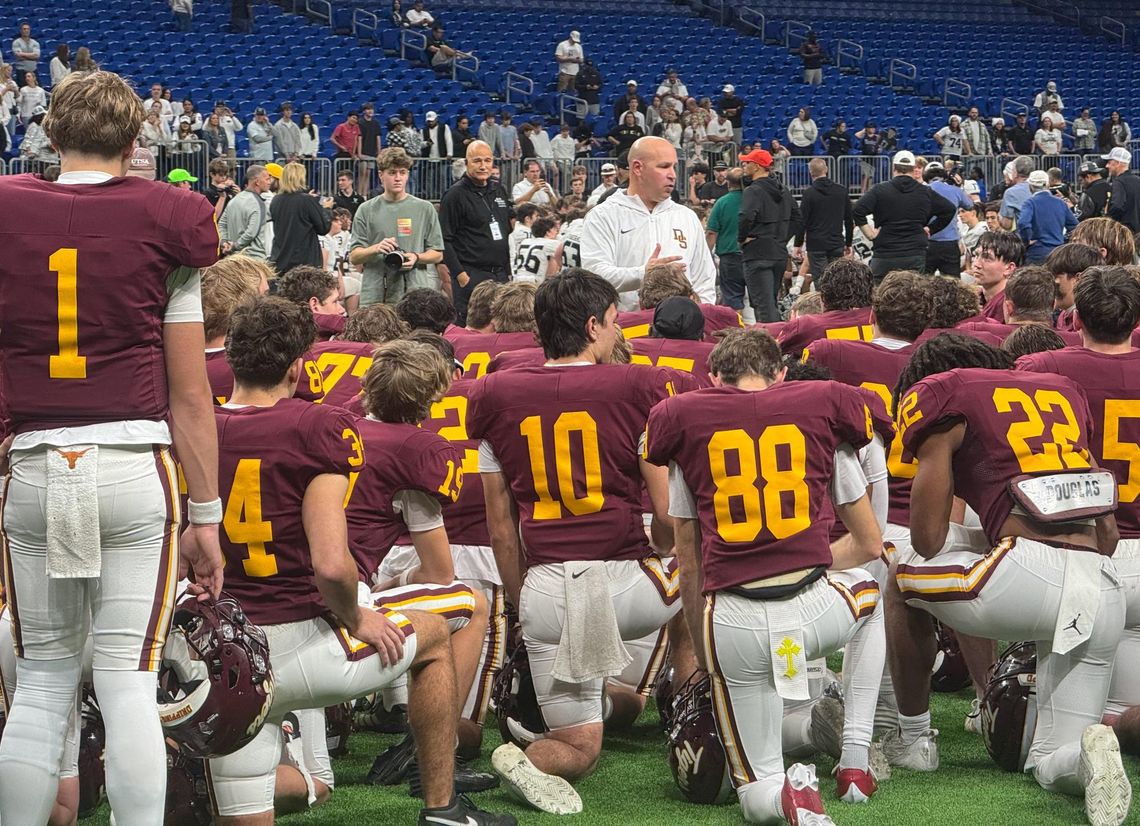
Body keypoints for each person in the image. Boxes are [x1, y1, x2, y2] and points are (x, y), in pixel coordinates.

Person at [0, 68, 223, 825]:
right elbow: (191, 394)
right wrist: (207, 513)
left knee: (39, 683)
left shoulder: (7, 209)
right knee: (129, 677)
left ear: (51, 135)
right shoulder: (171, 216)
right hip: (133, 463)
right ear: (137, 143)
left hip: (34, 462)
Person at [205, 297, 514, 826]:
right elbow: (331, 565)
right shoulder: (317, 427)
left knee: (261, 804)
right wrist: (356, 617)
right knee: (442, 629)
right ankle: (443, 806)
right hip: (300, 638)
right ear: (297, 365)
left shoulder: (194, 428)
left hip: (221, 651)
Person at [467, 269, 701, 815]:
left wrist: (523, 599)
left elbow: (501, 527)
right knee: (701, 575)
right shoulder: (636, 387)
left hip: (547, 587)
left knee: (579, 748)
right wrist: (665, 545)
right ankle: (691, 708)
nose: (619, 334)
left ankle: (524, 756)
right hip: (623, 587)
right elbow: (668, 517)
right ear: (593, 324)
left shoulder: (494, 393)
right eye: (615, 323)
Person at [885, 332, 1129, 826]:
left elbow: (929, 539)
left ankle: (912, 739)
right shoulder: (1061, 389)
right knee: (1048, 759)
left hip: (1023, 574)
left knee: (898, 579)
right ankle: (1089, 756)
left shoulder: (941, 395)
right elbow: (1107, 535)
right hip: (1104, 584)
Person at [645, 325, 886, 822]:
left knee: (756, 791)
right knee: (871, 594)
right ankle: (856, 760)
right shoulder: (824, 410)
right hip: (814, 608)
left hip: (733, 618)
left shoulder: (684, 422)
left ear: (712, 376)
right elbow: (868, 544)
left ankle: (786, 794)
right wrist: (810, 558)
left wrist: (704, 650)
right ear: (780, 374)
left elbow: (687, 562)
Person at [580, 136, 716, 311]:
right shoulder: (604, 215)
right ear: (637, 168)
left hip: (683, 329)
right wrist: (642, 273)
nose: (672, 175)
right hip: (625, 330)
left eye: (674, 167)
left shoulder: (686, 217)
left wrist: (700, 316)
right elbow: (594, 275)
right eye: (664, 166)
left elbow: (704, 278)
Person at [349, 146, 445, 306]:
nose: (398, 178)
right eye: (392, 173)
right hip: (376, 294)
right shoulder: (366, 209)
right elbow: (354, 256)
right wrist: (376, 248)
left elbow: (437, 253)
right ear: (381, 175)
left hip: (415, 293)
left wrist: (416, 257)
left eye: (403, 172)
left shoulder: (424, 208)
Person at [439, 140, 513, 326]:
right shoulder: (454, 195)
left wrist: (508, 272)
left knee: (501, 328)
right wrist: (461, 276)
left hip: (500, 276)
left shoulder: (499, 189)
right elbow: (444, 239)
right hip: (472, 276)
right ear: (467, 162)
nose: (483, 166)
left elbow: (505, 230)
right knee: (472, 331)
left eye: (487, 161)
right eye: (477, 161)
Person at [853, 150, 956, 282]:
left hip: (885, 253)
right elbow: (949, 209)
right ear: (913, 169)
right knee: (912, 296)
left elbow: (857, 210)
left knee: (879, 295)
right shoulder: (925, 192)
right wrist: (931, 228)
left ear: (893, 168)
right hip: (914, 254)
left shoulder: (879, 190)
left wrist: (871, 235)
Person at [738, 147, 802, 323]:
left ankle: (771, 345)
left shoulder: (753, 190)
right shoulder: (784, 190)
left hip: (757, 252)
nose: (743, 165)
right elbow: (798, 219)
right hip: (778, 252)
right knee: (770, 303)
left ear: (757, 166)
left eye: (747, 162)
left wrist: (741, 239)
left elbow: (745, 216)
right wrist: (780, 238)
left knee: (763, 307)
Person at [795, 157, 853, 287]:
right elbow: (849, 219)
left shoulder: (808, 194)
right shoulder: (841, 191)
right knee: (837, 282)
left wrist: (797, 244)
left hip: (816, 245)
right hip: (836, 243)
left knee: (821, 284)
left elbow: (802, 221)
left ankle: (824, 306)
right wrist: (848, 242)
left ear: (810, 173)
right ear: (826, 169)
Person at [270, 162, 334, 274]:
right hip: (304, 262)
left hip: (281, 260)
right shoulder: (306, 200)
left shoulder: (275, 200)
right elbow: (324, 228)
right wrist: (326, 209)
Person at [923, 162, 975, 276]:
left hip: (927, 242)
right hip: (949, 243)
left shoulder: (922, 190)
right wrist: (958, 188)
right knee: (953, 284)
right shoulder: (955, 190)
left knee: (923, 283)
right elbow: (970, 205)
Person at [705, 167, 745, 311]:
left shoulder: (722, 203)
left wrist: (705, 255)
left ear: (728, 183)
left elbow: (711, 233)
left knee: (733, 299)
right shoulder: (755, 200)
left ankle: (737, 331)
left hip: (730, 255)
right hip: (754, 255)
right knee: (758, 299)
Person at [1017, 170, 1078, 263]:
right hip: (1058, 252)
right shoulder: (1060, 203)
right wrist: (1063, 240)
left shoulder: (1030, 203)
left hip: (1037, 253)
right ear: (1048, 184)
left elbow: (1023, 223)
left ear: (1030, 187)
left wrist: (1026, 242)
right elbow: (1075, 227)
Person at [218, 163, 272, 259]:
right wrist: (235, 246)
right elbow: (251, 232)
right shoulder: (259, 204)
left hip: (234, 260)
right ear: (257, 182)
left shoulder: (234, 200)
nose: (270, 182)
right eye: (267, 179)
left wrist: (224, 242)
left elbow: (221, 224)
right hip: (254, 261)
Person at [970, 230, 1025, 322]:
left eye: (987, 258)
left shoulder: (1012, 305)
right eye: (976, 255)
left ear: (1009, 268)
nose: (976, 264)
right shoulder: (975, 298)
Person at [1045, 242, 1102, 330]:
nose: (1051, 282)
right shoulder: (1064, 315)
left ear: (1078, 279)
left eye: (1055, 276)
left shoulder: (1094, 324)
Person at [1104, 146, 1140, 232]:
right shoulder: (1138, 180)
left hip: (1125, 234)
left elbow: (1117, 206)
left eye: (1109, 162)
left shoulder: (1119, 182)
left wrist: (1107, 221)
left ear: (1118, 163)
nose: (1107, 166)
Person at [10, 22, 39, 86]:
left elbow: (37, 56)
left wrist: (23, 55)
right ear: (21, 30)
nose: (26, 30)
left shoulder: (35, 43)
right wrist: (32, 56)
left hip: (33, 70)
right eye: (24, 29)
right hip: (21, 71)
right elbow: (18, 55)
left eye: (28, 29)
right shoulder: (16, 42)